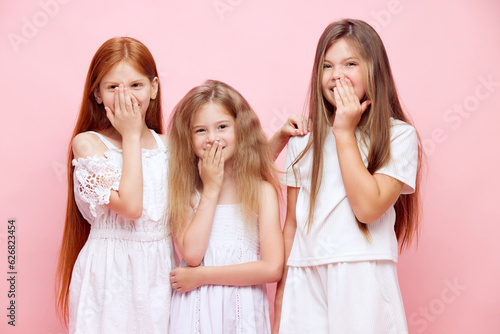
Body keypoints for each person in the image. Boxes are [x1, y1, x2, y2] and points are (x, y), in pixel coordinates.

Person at [273, 19, 422, 333]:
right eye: (327, 66)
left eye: (350, 63)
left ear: (374, 71)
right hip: (306, 276)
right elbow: (292, 226)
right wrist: (282, 297)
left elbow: (367, 208)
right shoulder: (304, 139)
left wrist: (344, 132)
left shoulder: (398, 136)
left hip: (362, 275)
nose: (336, 75)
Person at [55, 37, 174, 333]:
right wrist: (132, 135)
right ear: (97, 94)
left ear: (154, 88)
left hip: (161, 274)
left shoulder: (171, 146)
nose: (127, 97)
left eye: (136, 85)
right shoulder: (89, 144)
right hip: (109, 275)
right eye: (113, 88)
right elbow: (132, 207)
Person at [167, 80, 285, 333]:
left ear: (240, 129)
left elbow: (273, 267)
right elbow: (193, 255)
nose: (212, 139)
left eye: (222, 127)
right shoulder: (186, 192)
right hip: (195, 312)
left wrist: (201, 276)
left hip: (242, 312)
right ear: (188, 138)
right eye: (200, 130)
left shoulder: (262, 192)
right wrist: (210, 188)